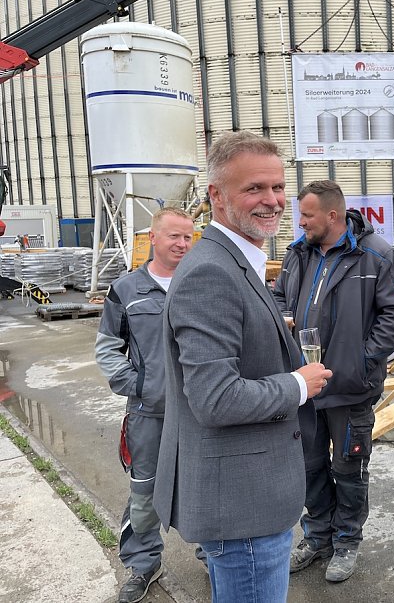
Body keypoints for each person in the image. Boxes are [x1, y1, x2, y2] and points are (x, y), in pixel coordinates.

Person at [153, 130, 332, 602]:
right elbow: (215, 398)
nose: (272, 200)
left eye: (278, 187)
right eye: (254, 188)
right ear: (216, 195)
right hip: (242, 507)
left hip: (248, 500)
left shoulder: (236, 262)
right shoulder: (211, 271)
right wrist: (298, 384)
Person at [274, 180, 394, 583]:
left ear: (332, 215)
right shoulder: (297, 253)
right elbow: (278, 297)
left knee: (349, 467)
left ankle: (347, 541)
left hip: (349, 388)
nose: (300, 223)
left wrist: (361, 359)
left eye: (307, 216)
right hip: (303, 386)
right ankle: (318, 537)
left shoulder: (375, 255)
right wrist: (283, 319)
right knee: (309, 466)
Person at [95, 207, 195, 603]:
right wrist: (139, 386)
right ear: (153, 238)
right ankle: (143, 564)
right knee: (145, 493)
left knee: (203, 485)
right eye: (174, 236)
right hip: (148, 414)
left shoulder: (201, 282)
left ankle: (213, 553)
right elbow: (108, 348)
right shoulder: (126, 290)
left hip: (201, 411)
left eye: (188, 237)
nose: (182, 244)